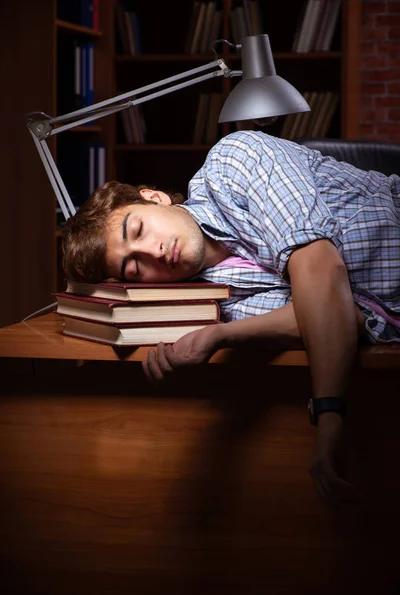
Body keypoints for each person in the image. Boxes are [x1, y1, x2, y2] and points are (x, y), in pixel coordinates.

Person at [62, 130, 400, 507]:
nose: (152, 252)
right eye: (133, 268)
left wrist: (328, 413)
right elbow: (344, 316)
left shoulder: (235, 161)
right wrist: (220, 335)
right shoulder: (211, 299)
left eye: (138, 229)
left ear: (154, 197)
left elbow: (319, 266)